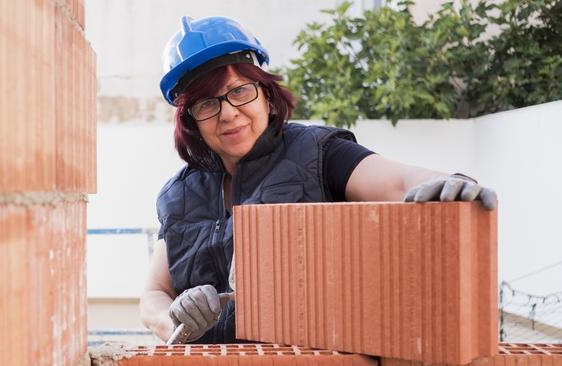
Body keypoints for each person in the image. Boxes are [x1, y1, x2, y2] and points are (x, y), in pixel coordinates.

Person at [140, 15, 497, 344]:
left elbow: (399, 182)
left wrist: (451, 181)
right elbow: (153, 294)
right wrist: (175, 320)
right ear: (192, 122)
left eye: (240, 91)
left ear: (266, 93)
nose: (229, 113)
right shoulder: (178, 196)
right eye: (206, 104)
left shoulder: (317, 152)